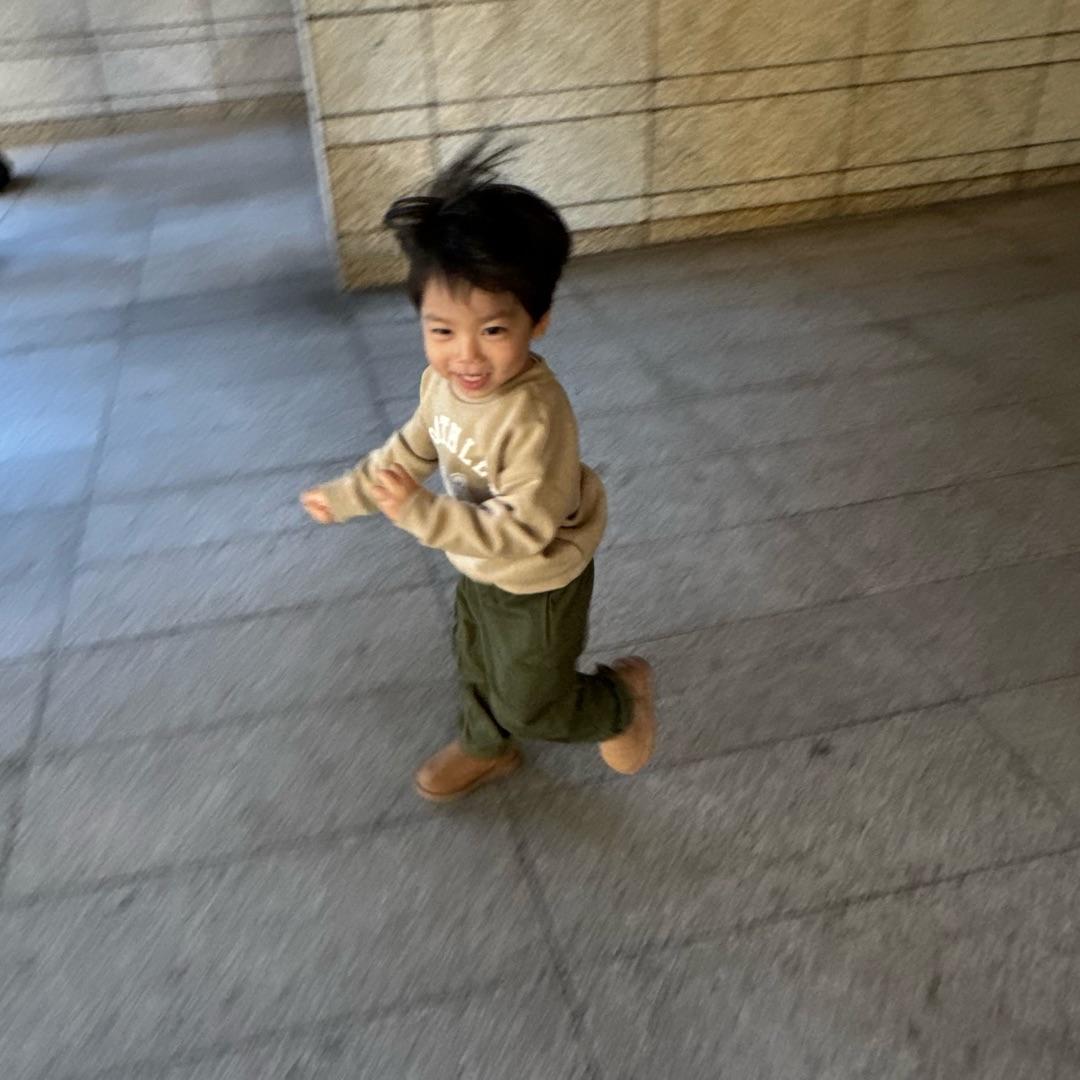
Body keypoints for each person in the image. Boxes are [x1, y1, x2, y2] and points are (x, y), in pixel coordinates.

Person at [301, 138, 655, 802]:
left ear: (538, 321)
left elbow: (522, 531)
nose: (465, 355)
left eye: (492, 331)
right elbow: (407, 452)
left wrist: (424, 514)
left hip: (538, 580)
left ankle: (617, 701)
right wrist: (347, 496)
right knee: (475, 659)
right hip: (477, 560)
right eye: (441, 331)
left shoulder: (535, 419)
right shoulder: (442, 386)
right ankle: (486, 747)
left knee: (533, 700)